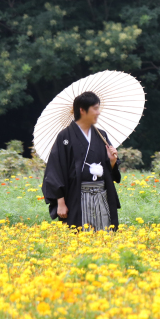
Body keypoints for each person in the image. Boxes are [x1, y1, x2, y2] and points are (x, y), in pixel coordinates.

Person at [42, 91, 122, 230]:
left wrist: (112, 161)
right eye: (95, 108)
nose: (98, 112)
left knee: (105, 234)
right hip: (77, 196)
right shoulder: (64, 136)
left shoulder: (101, 135)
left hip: (101, 194)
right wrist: (60, 202)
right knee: (80, 235)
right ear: (82, 110)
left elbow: (109, 170)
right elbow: (56, 170)